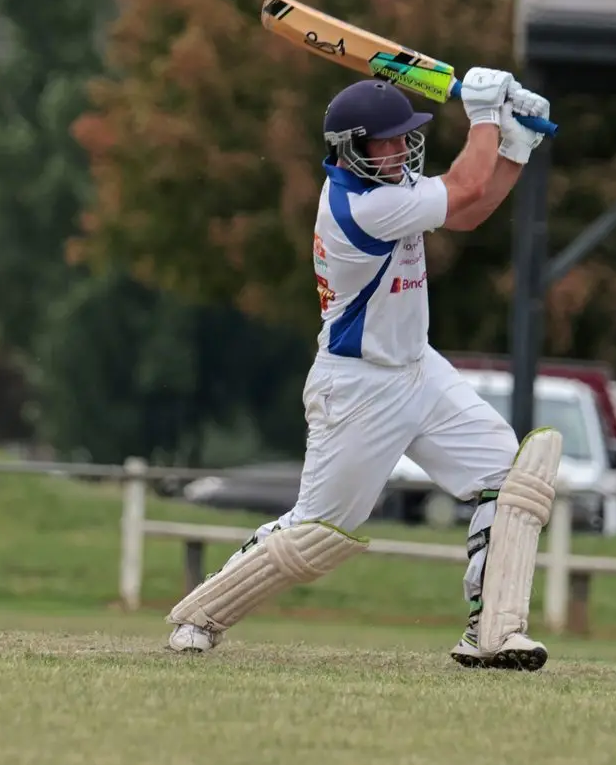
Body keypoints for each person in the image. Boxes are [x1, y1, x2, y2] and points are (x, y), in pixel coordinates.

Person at [164, 67, 562, 670]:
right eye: (390, 140)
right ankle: (200, 614)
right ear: (351, 149)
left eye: (408, 137)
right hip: (359, 385)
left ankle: (494, 632)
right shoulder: (360, 208)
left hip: (418, 370)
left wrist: (516, 144)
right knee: (318, 534)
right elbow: (464, 185)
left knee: (510, 480)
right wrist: (486, 117)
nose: (403, 148)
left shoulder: (393, 189)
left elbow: (470, 209)